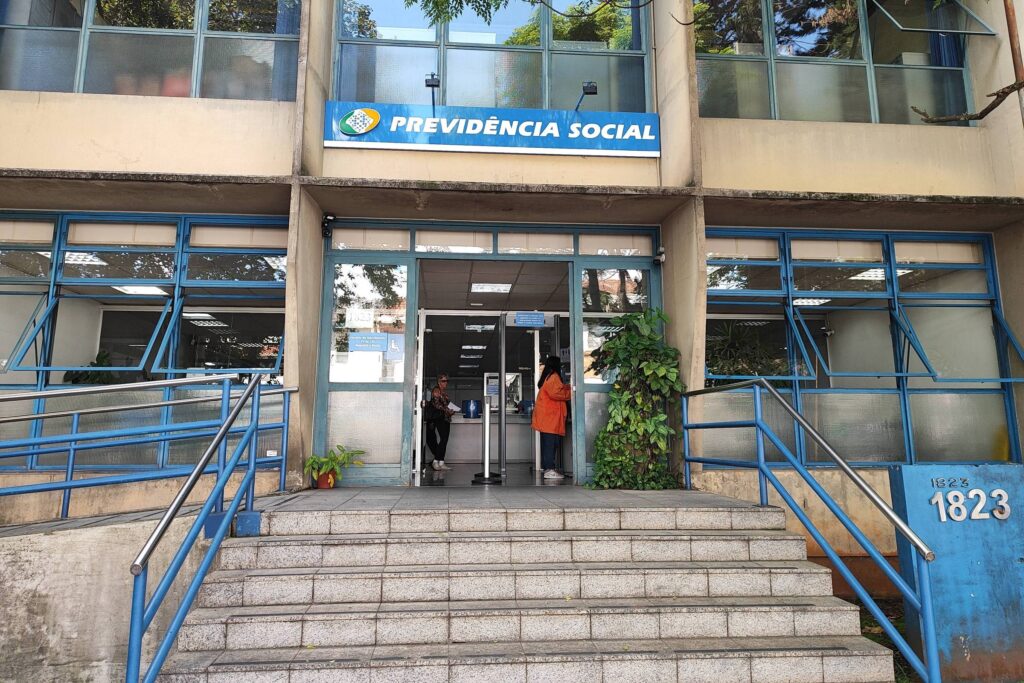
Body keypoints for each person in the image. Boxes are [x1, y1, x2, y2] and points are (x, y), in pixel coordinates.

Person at [532, 356, 572, 480]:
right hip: (550, 418)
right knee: (550, 444)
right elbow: (556, 393)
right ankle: (549, 470)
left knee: (547, 444)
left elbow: (558, 389)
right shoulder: (554, 377)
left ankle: (548, 469)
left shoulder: (548, 377)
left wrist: (568, 387)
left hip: (547, 417)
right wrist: (572, 392)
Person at [425, 373, 456, 471]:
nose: (445, 383)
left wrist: (451, 410)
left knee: (445, 440)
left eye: (447, 381)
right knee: (443, 439)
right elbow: (437, 404)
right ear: (439, 381)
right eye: (443, 381)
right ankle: (435, 461)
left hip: (446, 418)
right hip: (440, 418)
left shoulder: (445, 393)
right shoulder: (436, 391)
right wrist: (448, 410)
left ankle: (441, 462)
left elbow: (446, 405)